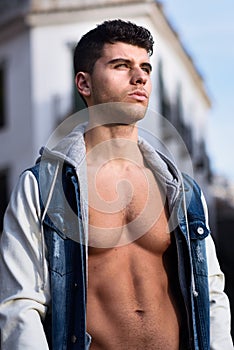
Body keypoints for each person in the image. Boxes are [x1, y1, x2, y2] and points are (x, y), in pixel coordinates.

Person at [0, 19, 233, 350]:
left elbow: (210, 293)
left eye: (145, 68)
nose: (139, 77)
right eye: (121, 65)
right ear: (84, 83)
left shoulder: (182, 191)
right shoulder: (43, 187)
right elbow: (19, 306)